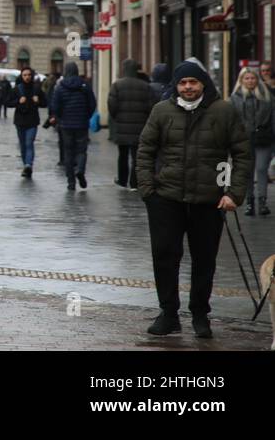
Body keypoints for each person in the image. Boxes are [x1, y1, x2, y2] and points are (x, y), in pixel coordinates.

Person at [138, 61, 251, 338]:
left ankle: (201, 314)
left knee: (204, 260)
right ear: (176, 86)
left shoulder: (223, 111)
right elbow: (145, 151)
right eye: (183, 83)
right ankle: (169, 314)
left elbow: (242, 153)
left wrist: (233, 194)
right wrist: (147, 190)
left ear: (203, 84)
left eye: (193, 82)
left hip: (209, 201)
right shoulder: (161, 110)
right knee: (165, 257)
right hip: (166, 198)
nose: (188, 87)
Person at [231, 67, 273, 217]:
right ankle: (250, 202)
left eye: (253, 78)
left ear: (257, 79)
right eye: (247, 78)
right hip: (244, 140)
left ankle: (262, 201)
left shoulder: (267, 96)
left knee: (261, 169)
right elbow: (232, 121)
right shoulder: (235, 98)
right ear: (241, 80)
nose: (250, 81)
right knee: (247, 171)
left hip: (263, 139)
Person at [108, 58, 154, 189]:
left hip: (122, 126)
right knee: (136, 156)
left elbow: (112, 105)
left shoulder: (117, 85)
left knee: (122, 155)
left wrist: (117, 118)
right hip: (139, 127)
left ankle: (122, 180)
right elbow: (151, 106)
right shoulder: (145, 86)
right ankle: (134, 182)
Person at [50, 62, 96, 191]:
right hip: (81, 123)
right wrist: (86, 115)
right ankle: (80, 170)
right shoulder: (84, 85)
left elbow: (55, 106)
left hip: (66, 125)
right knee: (81, 150)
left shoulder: (60, 87)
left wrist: (60, 118)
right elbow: (92, 104)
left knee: (68, 152)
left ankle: (71, 182)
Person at [9, 65, 46, 178]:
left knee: (29, 143)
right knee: (23, 145)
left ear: (32, 76)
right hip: (20, 121)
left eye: (29, 75)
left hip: (32, 121)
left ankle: (29, 165)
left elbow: (45, 103)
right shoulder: (17, 88)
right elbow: (7, 102)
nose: (27, 77)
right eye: (25, 75)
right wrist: (18, 101)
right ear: (22, 76)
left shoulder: (37, 88)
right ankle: (26, 164)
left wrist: (38, 101)